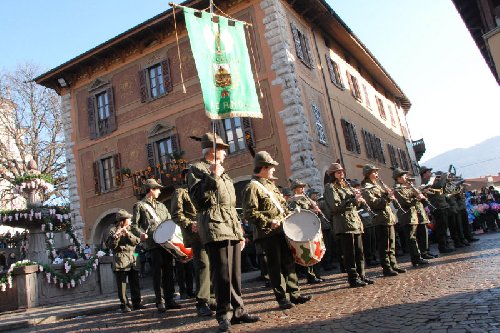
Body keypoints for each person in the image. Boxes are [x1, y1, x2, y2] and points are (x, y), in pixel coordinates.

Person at [188, 132, 260, 333]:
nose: (226, 154)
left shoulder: (223, 171)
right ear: (212, 151)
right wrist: (212, 176)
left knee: (235, 273)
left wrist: (239, 231)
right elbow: (199, 200)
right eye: (223, 150)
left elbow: (230, 205)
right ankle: (223, 314)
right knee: (221, 273)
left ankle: (238, 310)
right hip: (214, 225)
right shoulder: (196, 169)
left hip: (230, 224)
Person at [242, 151, 312, 310]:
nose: (274, 170)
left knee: (288, 262)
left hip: (283, 230)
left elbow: (282, 206)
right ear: (264, 167)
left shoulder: (270, 185)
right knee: (275, 266)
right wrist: (268, 221)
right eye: (271, 167)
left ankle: (294, 294)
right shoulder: (252, 187)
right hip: (268, 233)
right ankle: (282, 298)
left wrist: (292, 214)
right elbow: (249, 213)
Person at [131, 178, 181, 313]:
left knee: (169, 272)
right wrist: (141, 234)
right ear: (151, 190)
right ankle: (160, 301)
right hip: (153, 243)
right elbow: (134, 225)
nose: (159, 191)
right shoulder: (140, 206)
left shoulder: (162, 206)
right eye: (157, 189)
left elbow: (169, 222)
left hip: (167, 242)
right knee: (158, 274)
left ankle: (170, 299)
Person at [171, 169, 214, 317]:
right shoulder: (180, 192)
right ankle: (202, 302)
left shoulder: (201, 189)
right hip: (195, 234)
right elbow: (177, 214)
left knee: (213, 264)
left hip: (211, 230)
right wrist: (190, 224)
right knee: (203, 265)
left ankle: (212, 297)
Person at [324, 163, 374, 287]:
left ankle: (361, 275)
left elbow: (354, 205)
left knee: (359, 251)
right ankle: (353, 278)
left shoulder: (346, 186)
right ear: (332, 175)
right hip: (344, 223)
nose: (342, 173)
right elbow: (335, 207)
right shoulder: (330, 188)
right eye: (338, 172)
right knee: (349, 253)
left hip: (355, 222)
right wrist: (352, 200)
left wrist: (358, 200)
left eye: (342, 171)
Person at [361, 164, 406, 277]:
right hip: (380, 219)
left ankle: (393, 265)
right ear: (368, 174)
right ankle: (386, 268)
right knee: (384, 245)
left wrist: (387, 193)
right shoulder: (366, 187)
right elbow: (373, 203)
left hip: (388, 217)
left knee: (391, 244)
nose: (377, 174)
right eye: (374, 172)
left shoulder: (377, 185)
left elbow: (383, 199)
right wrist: (387, 198)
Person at [105, 209, 146, 313]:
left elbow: (137, 241)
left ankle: (137, 303)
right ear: (123, 220)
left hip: (133, 258)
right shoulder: (112, 230)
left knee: (135, 282)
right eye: (128, 219)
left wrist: (127, 234)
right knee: (122, 285)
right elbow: (111, 246)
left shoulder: (132, 229)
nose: (130, 220)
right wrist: (116, 236)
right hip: (121, 260)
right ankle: (125, 305)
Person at [286, 179, 324, 284]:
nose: (302, 189)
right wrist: (311, 211)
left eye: (303, 187)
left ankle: (316, 274)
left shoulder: (306, 199)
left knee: (314, 249)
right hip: (301, 228)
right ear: (295, 189)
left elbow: (313, 209)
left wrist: (316, 208)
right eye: (300, 187)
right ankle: (310, 276)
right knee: (306, 252)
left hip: (310, 226)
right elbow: (295, 214)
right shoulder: (292, 200)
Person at [392, 168, 430, 267]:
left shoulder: (407, 186)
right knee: (411, 239)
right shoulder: (397, 189)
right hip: (406, 216)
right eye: (404, 175)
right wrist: (416, 198)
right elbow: (404, 202)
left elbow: (412, 196)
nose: (406, 177)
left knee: (414, 238)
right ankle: (416, 258)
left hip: (413, 215)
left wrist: (420, 194)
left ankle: (418, 257)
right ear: (398, 178)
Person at [420, 167, 454, 254]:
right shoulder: (426, 183)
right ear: (424, 174)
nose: (431, 173)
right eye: (428, 172)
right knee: (441, 228)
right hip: (437, 207)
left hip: (442, 206)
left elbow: (442, 188)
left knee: (444, 227)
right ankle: (442, 247)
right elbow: (439, 185)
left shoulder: (432, 180)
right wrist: (444, 176)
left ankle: (445, 245)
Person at [351, 179, 378, 267]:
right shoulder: (353, 197)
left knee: (373, 240)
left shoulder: (363, 195)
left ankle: (374, 257)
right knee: (366, 242)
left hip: (370, 220)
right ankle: (369, 259)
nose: (359, 188)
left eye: (359, 186)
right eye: (356, 187)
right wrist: (359, 202)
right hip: (363, 222)